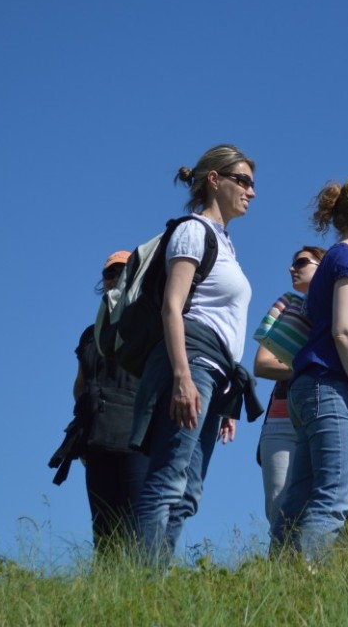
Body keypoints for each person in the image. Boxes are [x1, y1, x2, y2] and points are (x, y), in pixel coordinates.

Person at [128, 144, 262, 564]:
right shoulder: (192, 231)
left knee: (188, 494)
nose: (251, 192)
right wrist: (184, 377)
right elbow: (173, 306)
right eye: (243, 181)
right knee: (167, 481)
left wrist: (225, 404)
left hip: (216, 374)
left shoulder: (226, 243)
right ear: (214, 180)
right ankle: (142, 586)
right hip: (191, 363)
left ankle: (155, 581)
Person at [271, 178, 348, 557]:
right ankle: (307, 589)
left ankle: (276, 585)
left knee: (299, 497)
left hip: (312, 389)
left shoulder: (335, 261)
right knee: (333, 498)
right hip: (331, 388)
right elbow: (343, 331)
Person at [71, 251, 148, 553]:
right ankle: (106, 591)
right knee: (103, 528)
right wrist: (82, 427)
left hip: (138, 437)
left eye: (124, 270)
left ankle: (144, 589)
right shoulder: (91, 335)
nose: (116, 277)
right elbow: (80, 385)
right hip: (98, 438)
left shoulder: (149, 323)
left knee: (139, 524)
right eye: (110, 273)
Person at [253, 245, 327, 527]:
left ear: (324, 266)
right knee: (280, 506)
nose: (292, 268)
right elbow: (262, 364)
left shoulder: (340, 310)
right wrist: (313, 365)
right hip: (282, 420)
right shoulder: (288, 306)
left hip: (324, 416)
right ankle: (282, 567)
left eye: (301, 262)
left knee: (323, 506)